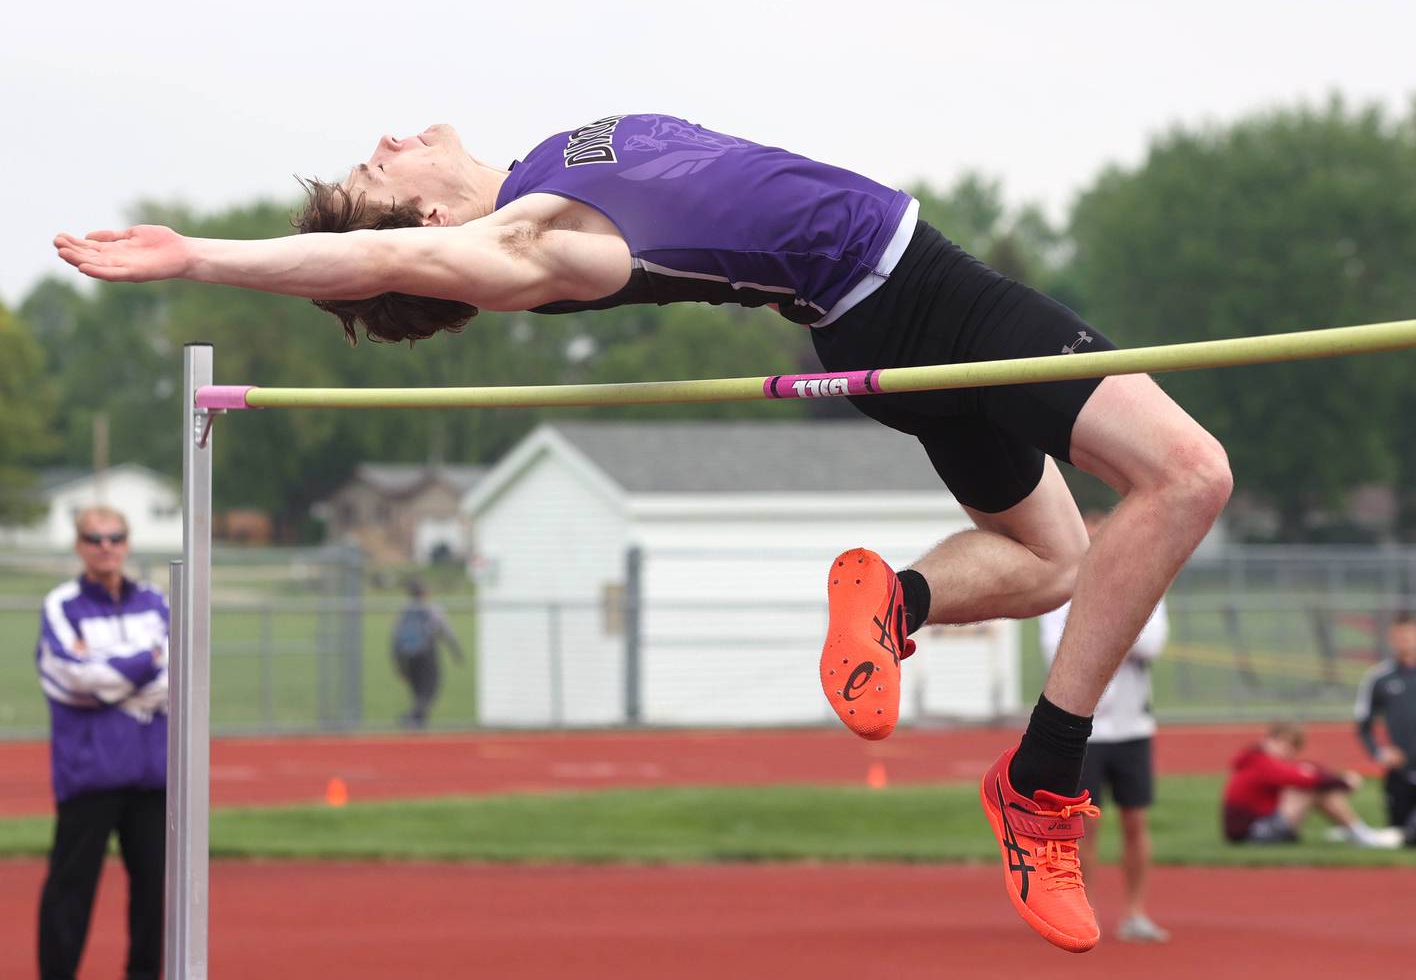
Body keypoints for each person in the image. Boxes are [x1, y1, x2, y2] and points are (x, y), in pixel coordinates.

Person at [54, 113, 1233, 952]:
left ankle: (895, 602)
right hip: (923, 296)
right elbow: (385, 257)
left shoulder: (548, 163)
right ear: (425, 213)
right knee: (1186, 474)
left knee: (1058, 558)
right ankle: (1043, 780)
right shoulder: (531, 238)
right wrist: (200, 257)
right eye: (383, 162)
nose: (389, 133)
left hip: (879, 319)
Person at [35, 507, 169, 980]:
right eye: (94, 538)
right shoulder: (62, 605)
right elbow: (74, 679)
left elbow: (178, 679)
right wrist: (143, 666)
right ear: (79, 545)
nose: (105, 546)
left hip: (153, 774)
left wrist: (114, 674)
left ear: (128, 543)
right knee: (70, 891)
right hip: (90, 773)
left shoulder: (156, 602)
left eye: (115, 537)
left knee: (157, 892)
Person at [1038, 511, 1167, 943]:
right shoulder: (1063, 594)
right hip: (1083, 730)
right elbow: (1056, 652)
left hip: (1133, 728)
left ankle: (1135, 913)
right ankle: (1080, 915)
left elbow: (1152, 644)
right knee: (1080, 828)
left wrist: (1104, 625)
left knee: (1135, 822)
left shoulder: (1147, 585)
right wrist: (1116, 628)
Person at [1221, 722, 1395, 848]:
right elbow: (1306, 778)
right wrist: (1343, 783)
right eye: (1282, 743)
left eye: (1291, 747)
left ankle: (1357, 833)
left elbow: (1308, 770)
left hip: (1254, 830)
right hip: (1252, 834)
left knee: (1313, 787)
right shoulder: (1261, 762)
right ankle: (1360, 835)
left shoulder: (1258, 759)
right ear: (1269, 739)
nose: (1286, 750)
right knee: (1309, 790)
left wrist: (1335, 780)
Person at [1354, 612, 1416, 831]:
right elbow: (1363, 725)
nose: (1405, 640)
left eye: (1409, 634)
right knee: (1402, 833)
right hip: (1401, 771)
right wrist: (1380, 752)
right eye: (1399, 635)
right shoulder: (1379, 677)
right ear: (1391, 639)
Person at [391, 579, 463, 727]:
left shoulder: (404, 610)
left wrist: (399, 664)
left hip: (406, 655)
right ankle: (412, 716)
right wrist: (456, 651)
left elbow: (396, 638)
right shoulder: (432, 609)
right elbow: (445, 631)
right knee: (430, 689)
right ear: (424, 593)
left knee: (417, 690)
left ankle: (418, 722)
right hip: (427, 652)